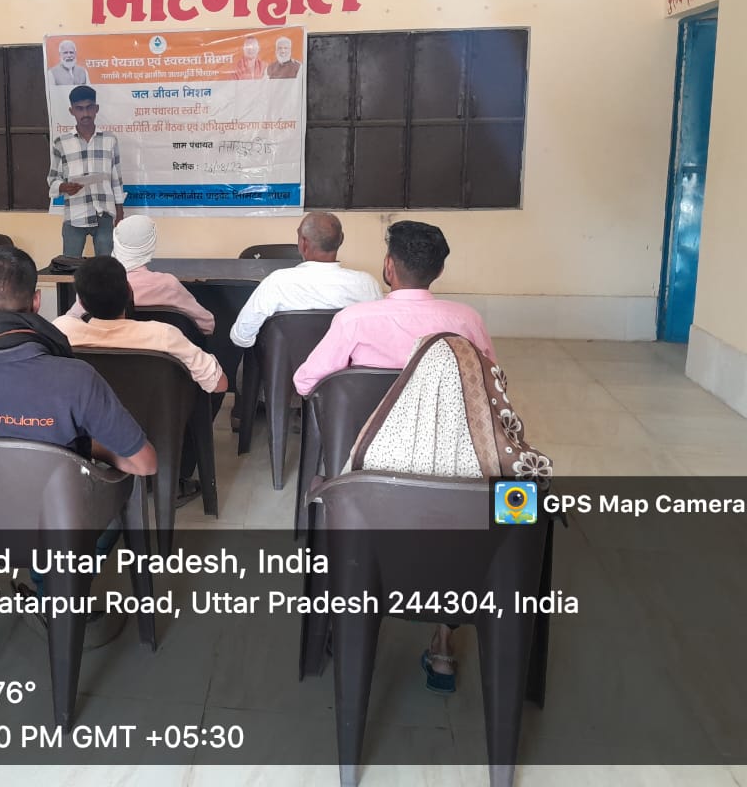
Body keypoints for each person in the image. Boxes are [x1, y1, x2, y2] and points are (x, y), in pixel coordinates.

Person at [342, 332, 550, 695]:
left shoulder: (374, 450)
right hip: (473, 585)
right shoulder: (508, 473)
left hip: (387, 578)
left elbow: (344, 502)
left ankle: (348, 635)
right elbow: (524, 525)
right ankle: (443, 647)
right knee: (483, 542)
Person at [0, 246, 156, 477]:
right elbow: (145, 464)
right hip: (57, 508)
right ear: (36, 301)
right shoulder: (77, 378)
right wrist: (87, 447)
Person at [55, 257, 224, 507]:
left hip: (90, 426)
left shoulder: (62, 331)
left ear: (80, 302)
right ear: (129, 292)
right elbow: (219, 384)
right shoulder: (162, 335)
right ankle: (176, 473)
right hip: (159, 419)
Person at [293, 220, 497, 396]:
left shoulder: (353, 320)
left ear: (389, 265)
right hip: (441, 428)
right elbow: (490, 382)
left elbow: (305, 383)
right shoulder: (467, 320)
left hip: (364, 426)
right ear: (440, 271)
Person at [229, 212, 382, 349]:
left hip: (285, 370)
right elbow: (378, 334)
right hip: (346, 370)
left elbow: (241, 337)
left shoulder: (277, 283)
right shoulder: (367, 284)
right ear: (341, 240)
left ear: (303, 243)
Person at [66, 215, 214, 335]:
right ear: (151, 243)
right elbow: (207, 325)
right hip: (164, 361)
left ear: (115, 240)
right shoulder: (168, 286)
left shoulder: (94, 285)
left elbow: (70, 324)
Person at [48, 86, 126, 257]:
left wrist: (120, 212)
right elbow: (52, 179)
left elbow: (116, 179)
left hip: (104, 212)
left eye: (89, 107)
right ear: (72, 111)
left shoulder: (109, 140)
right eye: (79, 109)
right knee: (69, 265)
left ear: (96, 109)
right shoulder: (61, 143)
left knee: (105, 266)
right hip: (75, 213)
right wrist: (64, 187)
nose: (85, 114)